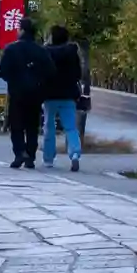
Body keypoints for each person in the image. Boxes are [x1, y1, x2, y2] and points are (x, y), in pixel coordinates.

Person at [0, 11, 54, 169]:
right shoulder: (41, 51)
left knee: (16, 124)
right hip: (35, 92)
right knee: (32, 125)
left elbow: (4, 69)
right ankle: (30, 155)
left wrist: (12, 79)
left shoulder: (11, 49)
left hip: (17, 91)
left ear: (22, 30)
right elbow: (51, 71)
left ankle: (19, 152)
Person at [41, 24, 88, 171]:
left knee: (49, 126)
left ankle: (48, 158)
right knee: (71, 127)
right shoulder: (72, 52)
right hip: (68, 94)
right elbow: (78, 74)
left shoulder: (46, 52)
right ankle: (75, 154)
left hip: (50, 94)